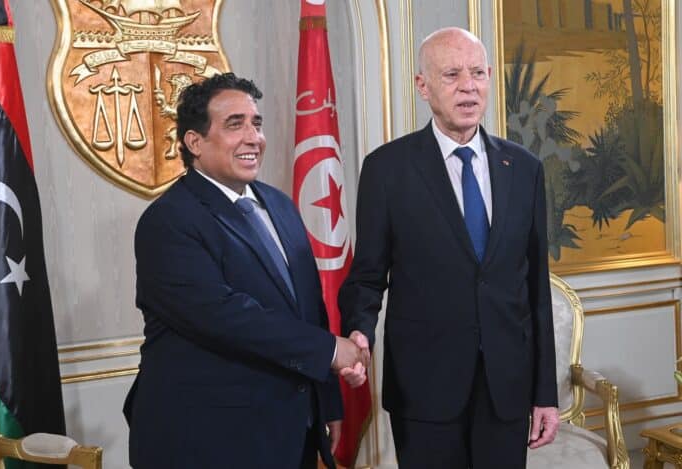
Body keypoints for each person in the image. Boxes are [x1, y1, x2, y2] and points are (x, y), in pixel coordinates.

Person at [338, 27, 559, 468]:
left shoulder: (524, 169)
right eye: (452, 75)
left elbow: (537, 290)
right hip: (425, 388)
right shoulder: (387, 169)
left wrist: (544, 393)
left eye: (477, 73)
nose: (468, 86)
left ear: (490, 77)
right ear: (423, 86)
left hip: (506, 388)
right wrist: (359, 330)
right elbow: (367, 276)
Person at [122, 72, 368, 469]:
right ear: (194, 142)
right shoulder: (169, 221)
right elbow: (224, 317)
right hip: (206, 440)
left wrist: (327, 399)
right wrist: (329, 351)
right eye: (235, 125)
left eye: (256, 123)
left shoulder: (280, 205)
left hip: (290, 431)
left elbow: (309, 310)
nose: (253, 137)